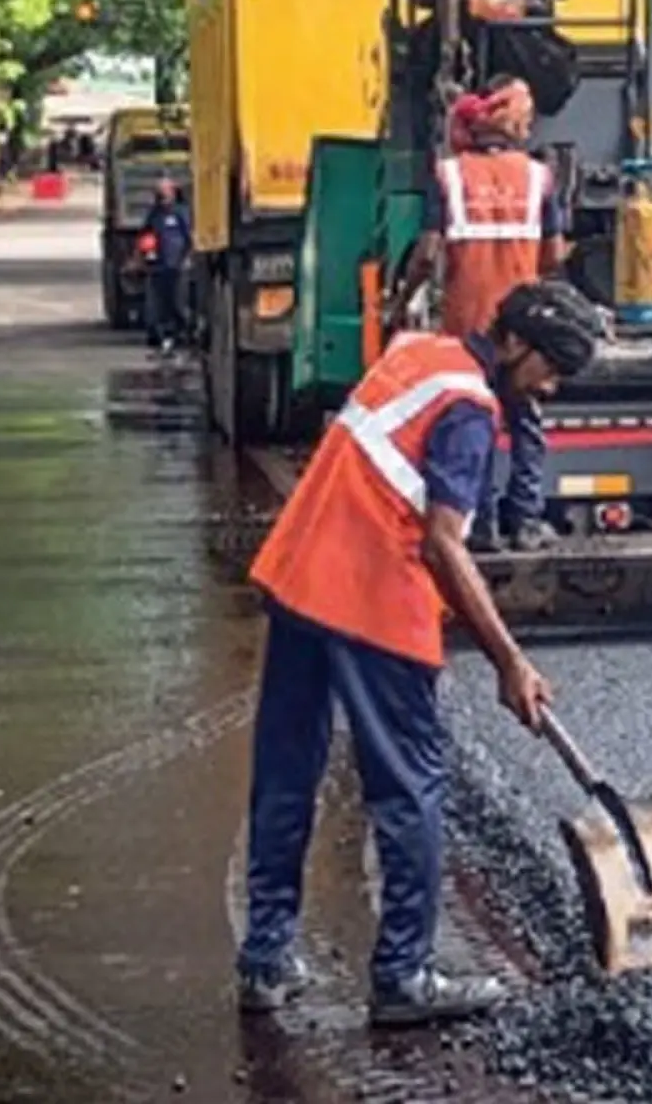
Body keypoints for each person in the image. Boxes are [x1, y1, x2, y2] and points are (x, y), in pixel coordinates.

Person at [234, 280, 604, 1026]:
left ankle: (264, 961)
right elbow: (442, 542)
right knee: (410, 786)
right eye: (552, 367)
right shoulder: (469, 409)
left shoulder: (420, 353)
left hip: (301, 574)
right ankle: (404, 974)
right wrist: (509, 660)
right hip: (369, 597)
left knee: (286, 771)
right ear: (516, 346)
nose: (552, 386)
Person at [397, 78, 573, 551]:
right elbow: (554, 255)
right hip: (525, 331)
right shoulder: (540, 177)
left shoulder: (449, 175)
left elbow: (427, 252)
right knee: (526, 423)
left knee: (476, 427)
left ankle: (482, 526)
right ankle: (528, 521)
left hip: (468, 329)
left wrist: (402, 301)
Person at [141, 179, 193, 353]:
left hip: (177, 266)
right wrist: (146, 256)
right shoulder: (154, 215)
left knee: (178, 301)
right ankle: (160, 334)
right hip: (158, 266)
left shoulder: (180, 212)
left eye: (165, 192)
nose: (162, 196)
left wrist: (187, 258)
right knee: (157, 303)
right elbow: (146, 237)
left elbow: (190, 237)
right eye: (159, 192)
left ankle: (181, 333)